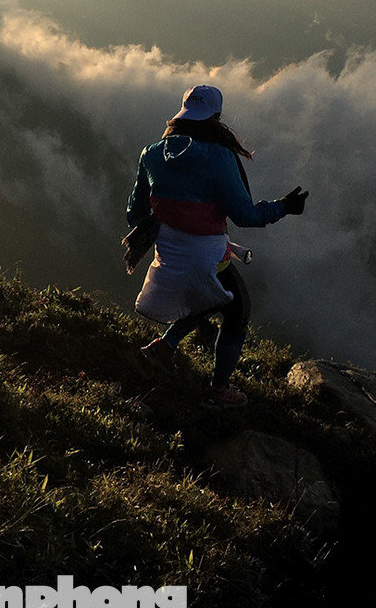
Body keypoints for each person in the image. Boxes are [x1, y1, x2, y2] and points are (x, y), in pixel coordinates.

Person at [127, 84, 306, 406]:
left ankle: (163, 347)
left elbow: (135, 213)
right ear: (215, 116)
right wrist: (284, 207)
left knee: (208, 299)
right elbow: (245, 215)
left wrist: (169, 216)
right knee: (236, 311)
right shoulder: (220, 157)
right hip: (209, 256)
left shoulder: (151, 153)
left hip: (168, 252)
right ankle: (219, 391)